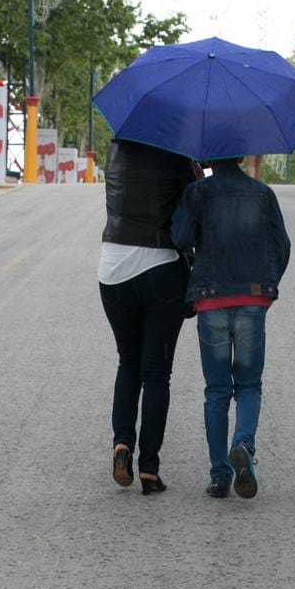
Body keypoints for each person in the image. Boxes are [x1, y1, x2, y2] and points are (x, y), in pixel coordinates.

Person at [171, 156, 291, 500]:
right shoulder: (262, 193)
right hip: (252, 301)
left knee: (217, 390)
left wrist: (192, 189)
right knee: (249, 384)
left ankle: (220, 475)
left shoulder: (198, 192)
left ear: (209, 158)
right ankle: (243, 443)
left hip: (211, 301)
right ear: (241, 156)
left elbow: (179, 237)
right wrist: (266, 287)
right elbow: (282, 246)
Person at [98, 139, 198, 494]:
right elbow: (192, 212)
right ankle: (149, 469)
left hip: (111, 268)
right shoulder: (175, 152)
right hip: (160, 267)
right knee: (156, 374)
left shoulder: (115, 150)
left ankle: (122, 444)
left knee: (128, 362)